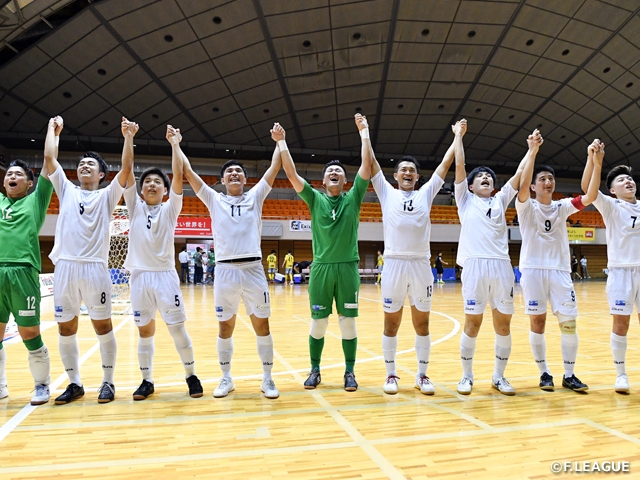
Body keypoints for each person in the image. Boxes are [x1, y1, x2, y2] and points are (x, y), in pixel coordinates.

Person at [176, 123, 282, 399]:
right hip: (224, 270)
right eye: (229, 172)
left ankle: (268, 379)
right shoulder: (213, 199)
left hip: (253, 269)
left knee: (263, 325)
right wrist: (176, 144)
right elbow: (188, 172)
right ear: (222, 180)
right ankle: (226, 378)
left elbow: (273, 169)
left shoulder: (256, 196)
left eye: (239, 172)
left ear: (245, 180)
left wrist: (279, 142)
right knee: (226, 326)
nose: (234, 174)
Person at [368, 117, 466, 395]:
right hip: (395, 264)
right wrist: (364, 132)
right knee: (391, 322)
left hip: (421, 265)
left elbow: (445, 165)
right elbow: (372, 163)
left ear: (417, 176)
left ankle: (423, 375)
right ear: (396, 176)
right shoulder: (386, 192)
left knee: (421, 323)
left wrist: (457, 136)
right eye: (403, 170)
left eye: (412, 170)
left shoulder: (426, 193)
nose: (408, 173)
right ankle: (391, 375)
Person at [45, 115, 137, 404]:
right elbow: (49, 158)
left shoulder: (108, 197)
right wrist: (53, 131)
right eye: (81, 163)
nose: (84, 166)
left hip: (95, 269)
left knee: (102, 326)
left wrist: (128, 137)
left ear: (100, 175)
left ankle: (108, 382)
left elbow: (126, 168)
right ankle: (75, 384)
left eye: (91, 164)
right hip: (65, 268)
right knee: (66, 327)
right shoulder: (66, 190)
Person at [277, 115, 371, 392]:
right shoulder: (314, 198)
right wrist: (282, 142)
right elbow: (292, 175)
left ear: (345, 180)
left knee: (348, 323)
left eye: (339, 171)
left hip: (347, 268)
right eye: (330, 170)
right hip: (320, 268)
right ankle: (315, 369)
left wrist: (364, 133)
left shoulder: (353, 198)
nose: (334, 172)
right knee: (318, 323)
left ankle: (349, 372)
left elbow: (367, 166)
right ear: (323, 180)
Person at [454, 127, 542, 396]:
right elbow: (459, 164)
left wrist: (532, 149)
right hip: (475, 266)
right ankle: (466, 377)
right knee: (473, 323)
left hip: (501, 266)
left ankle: (498, 376)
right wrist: (458, 136)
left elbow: (519, 175)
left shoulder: (501, 199)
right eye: (479, 176)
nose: (484, 178)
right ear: (470, 186)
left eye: (488, 177)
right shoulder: (465, 200)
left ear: (493, 186)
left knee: (503, 325)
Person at [122, 127, 204, 401]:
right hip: (140, 277)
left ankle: (191, 375)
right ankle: (146, 380)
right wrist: (129, 138)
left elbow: (180, 175)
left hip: (165, 277)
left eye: (158, 181)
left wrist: (174, 144)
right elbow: (128, 166)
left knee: (177, 329)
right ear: (141, 190)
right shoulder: (133, 205)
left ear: (166, 189)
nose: (152, 184)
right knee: (145, 332)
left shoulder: (171, 210)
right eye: (148, 182)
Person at [516, 140, 601, 393]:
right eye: (542, 178)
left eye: (550, 178)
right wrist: (532, 151)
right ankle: (544, 373)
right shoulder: (526, 205)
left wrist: (593, 161)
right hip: (532, 270)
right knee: (538, 323)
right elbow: (520, 186)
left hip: (560, 272)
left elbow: (591, 196)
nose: (547, 182)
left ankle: (570, 374)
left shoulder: (562, 206)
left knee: (569, 323)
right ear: (533, 186)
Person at [0, 125, 57, 405]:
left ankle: (42, 385)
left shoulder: (35, 201)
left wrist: (51, 131)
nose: (12, 177)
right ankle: (1, 385)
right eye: (9, 174)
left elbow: (49, 162)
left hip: (23, 272)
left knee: (30, 333)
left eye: (18, 174)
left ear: (29, 183)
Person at [581, 141, 639, 393]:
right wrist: (594, 160)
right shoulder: (610, 205)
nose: (628, 181)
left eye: (630, 178)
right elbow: (586, 188)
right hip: (620, 272)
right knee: (620, 325)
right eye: (621, 180)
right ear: (612, 191)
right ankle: (621, 374)